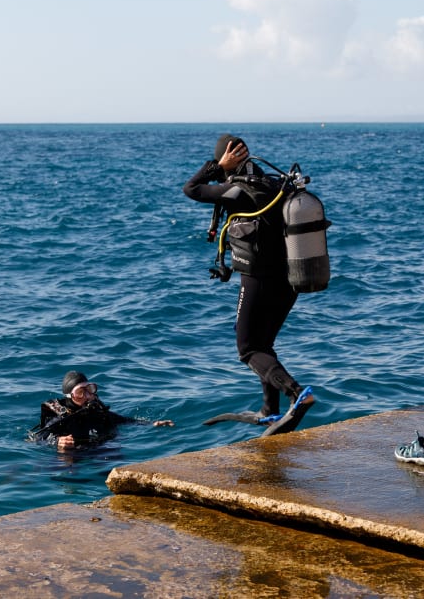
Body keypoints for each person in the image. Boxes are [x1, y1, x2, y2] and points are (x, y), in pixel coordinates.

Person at [182, 133, 313, 432]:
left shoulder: (237, 190)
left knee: (248, 349)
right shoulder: (275, 184)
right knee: (262, 343)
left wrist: (217, 166)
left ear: (229, 159)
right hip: (291, 277)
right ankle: (270, 409)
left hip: (261, 279)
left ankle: (297, 394)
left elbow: (191, 189)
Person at [31, 370, 173, 451]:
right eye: (80, 392)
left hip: (98, 449)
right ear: (70, 396)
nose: (87, 395)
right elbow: (39, 437)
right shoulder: (61, 417)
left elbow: (122, 420)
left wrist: (151, 424)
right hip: (73, 453)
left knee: (114, 457)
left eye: (89, 389)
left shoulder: (96, 410)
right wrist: (57, 441)